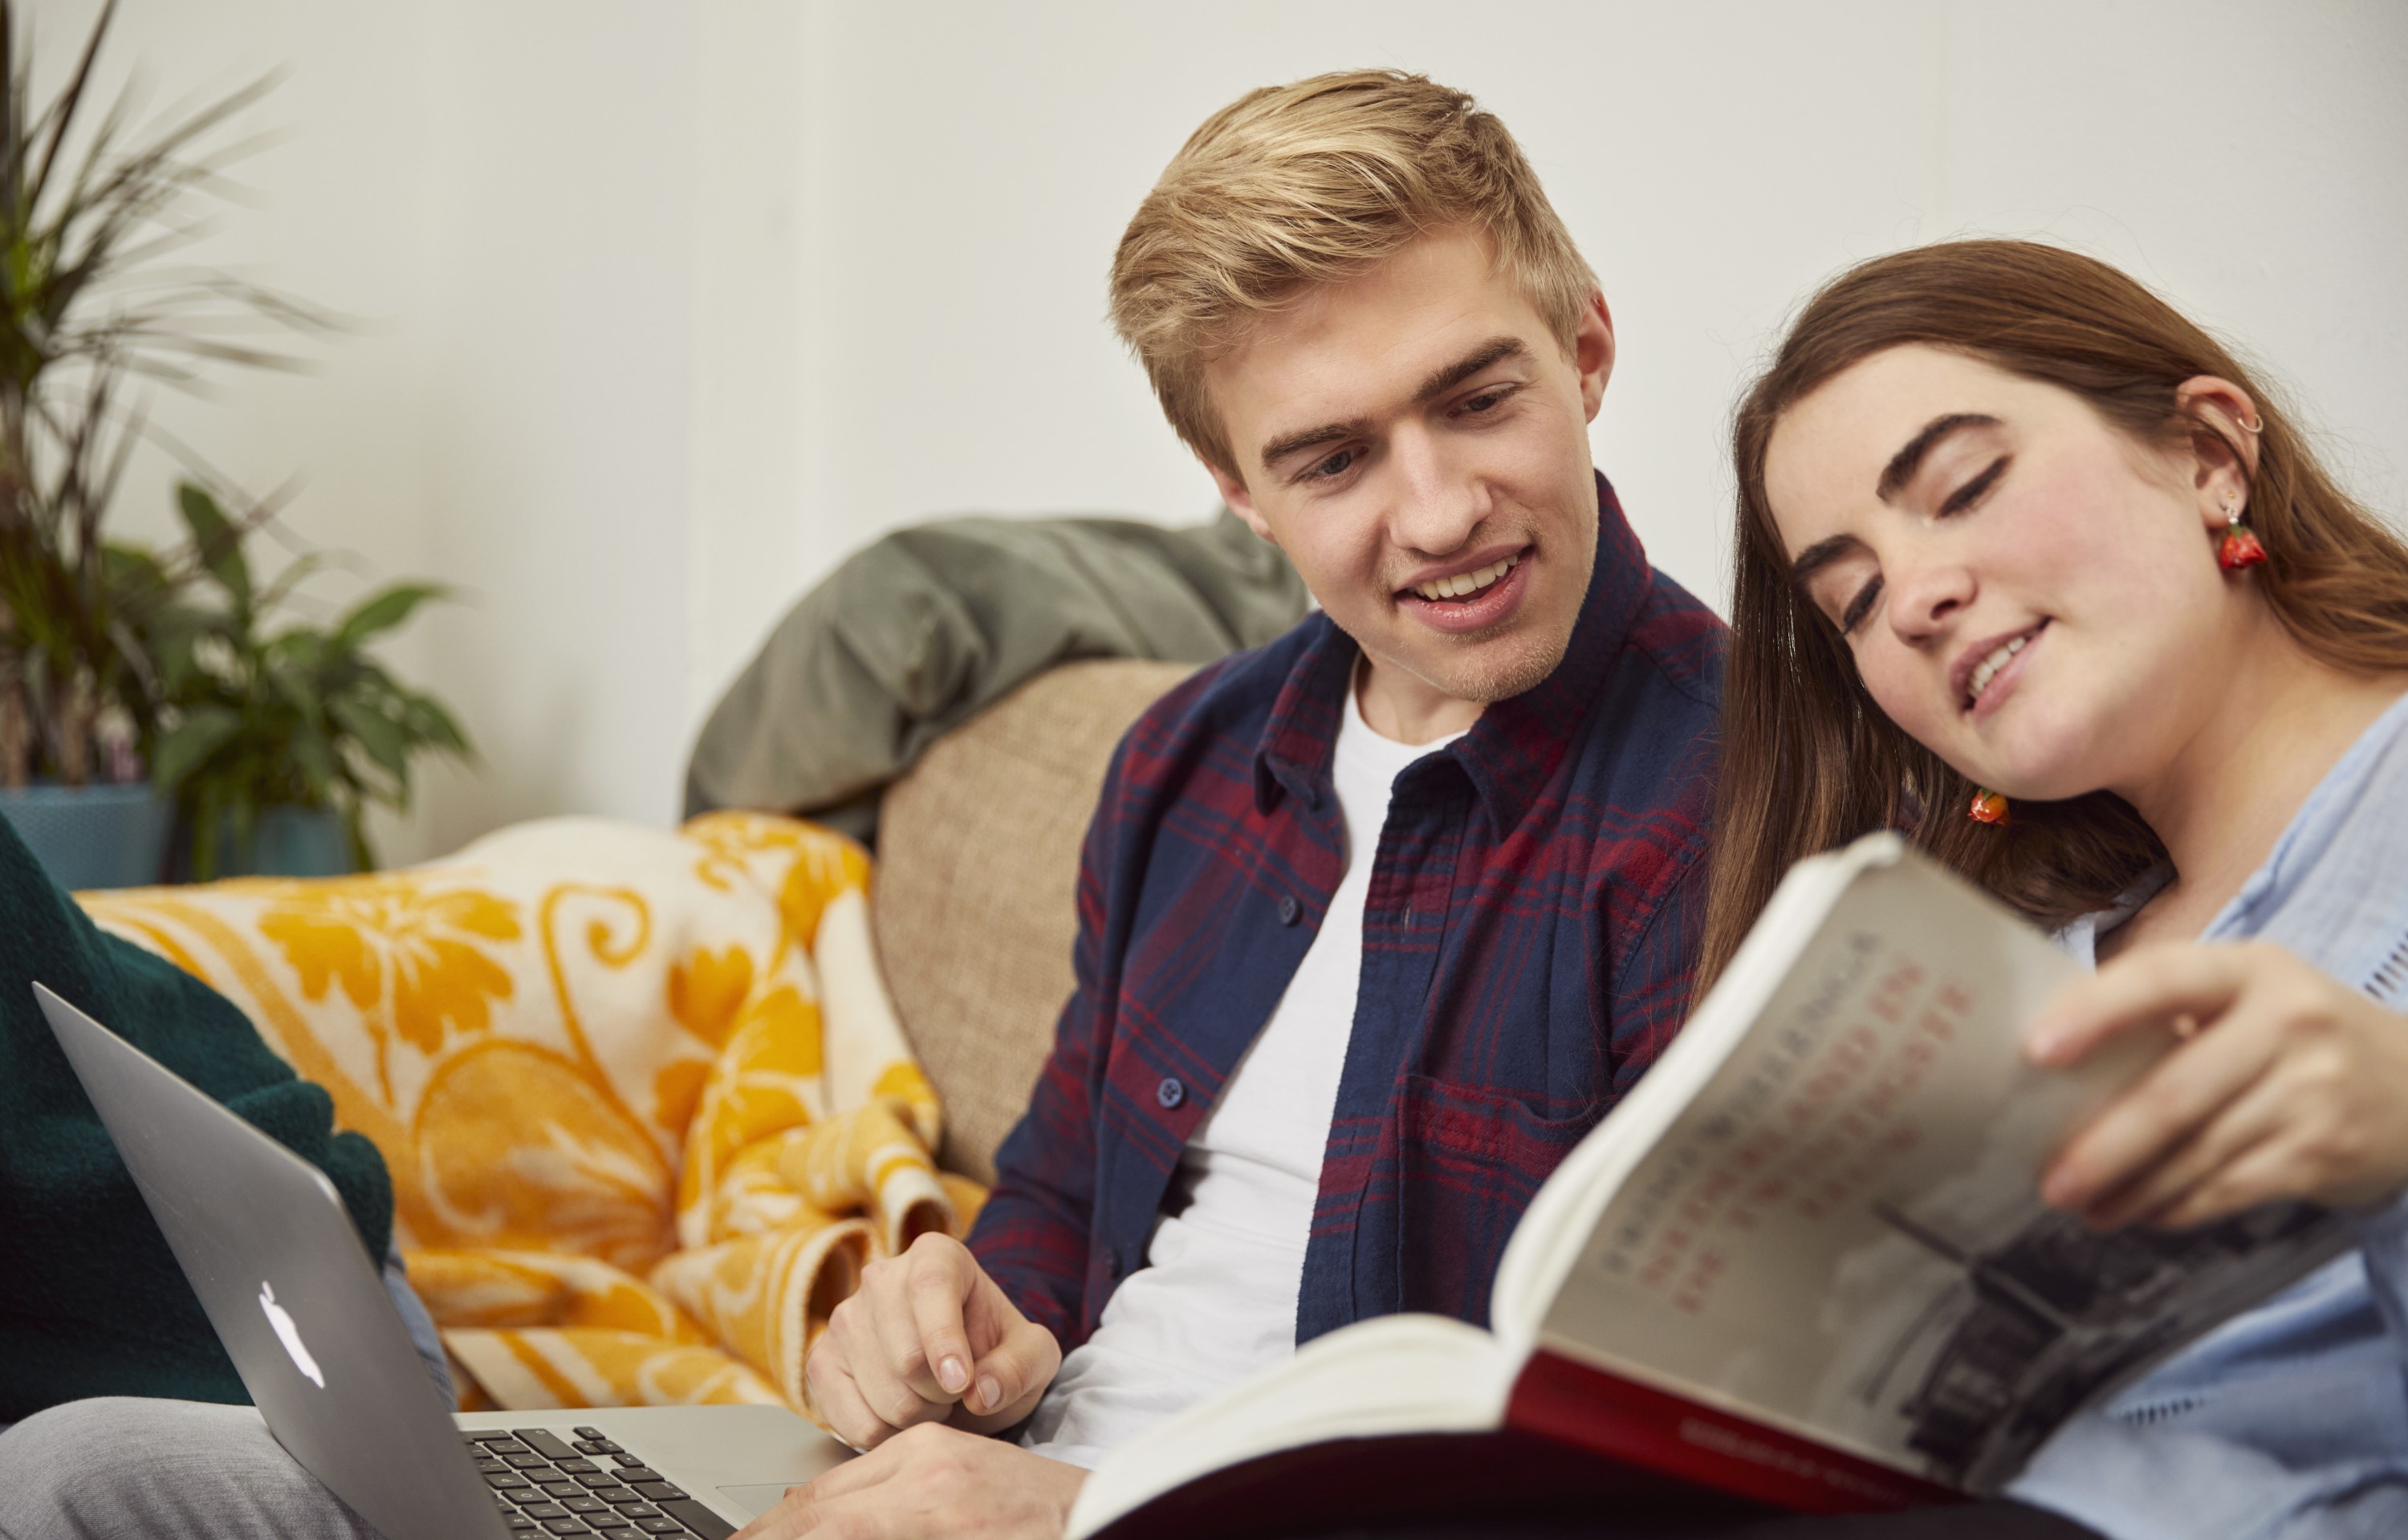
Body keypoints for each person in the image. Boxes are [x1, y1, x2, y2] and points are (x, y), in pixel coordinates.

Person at [738, 69, 1725, 1539]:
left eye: (1477, 398)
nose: (1442, 510)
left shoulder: (1749, 798)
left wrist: (1079, 1509)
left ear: (1584, 349)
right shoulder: (1184, 761)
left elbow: (1656, 1456)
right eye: (1334, 459)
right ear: (1238, 492)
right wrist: (959, 1322)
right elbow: (1062, 1201)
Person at [1703, 238, 2408, 1538]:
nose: (1911, 602)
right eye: (1851, 601)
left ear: (2210, 456)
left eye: (1964, 487)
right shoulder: (2018, 980)